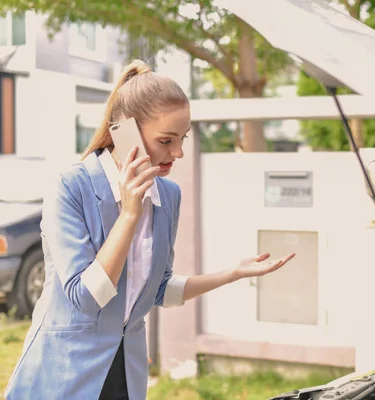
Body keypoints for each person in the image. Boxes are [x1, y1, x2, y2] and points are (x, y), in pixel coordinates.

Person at [4, 59, 295, 400]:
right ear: (124, 132)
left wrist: (232, 273)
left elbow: (159, 291)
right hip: (64, 375)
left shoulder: (167, 195)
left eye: (182, 138)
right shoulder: (71, 187)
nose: (179, 152)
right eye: (167, 140)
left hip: (127, 373)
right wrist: (129, 215)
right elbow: (86, 299)